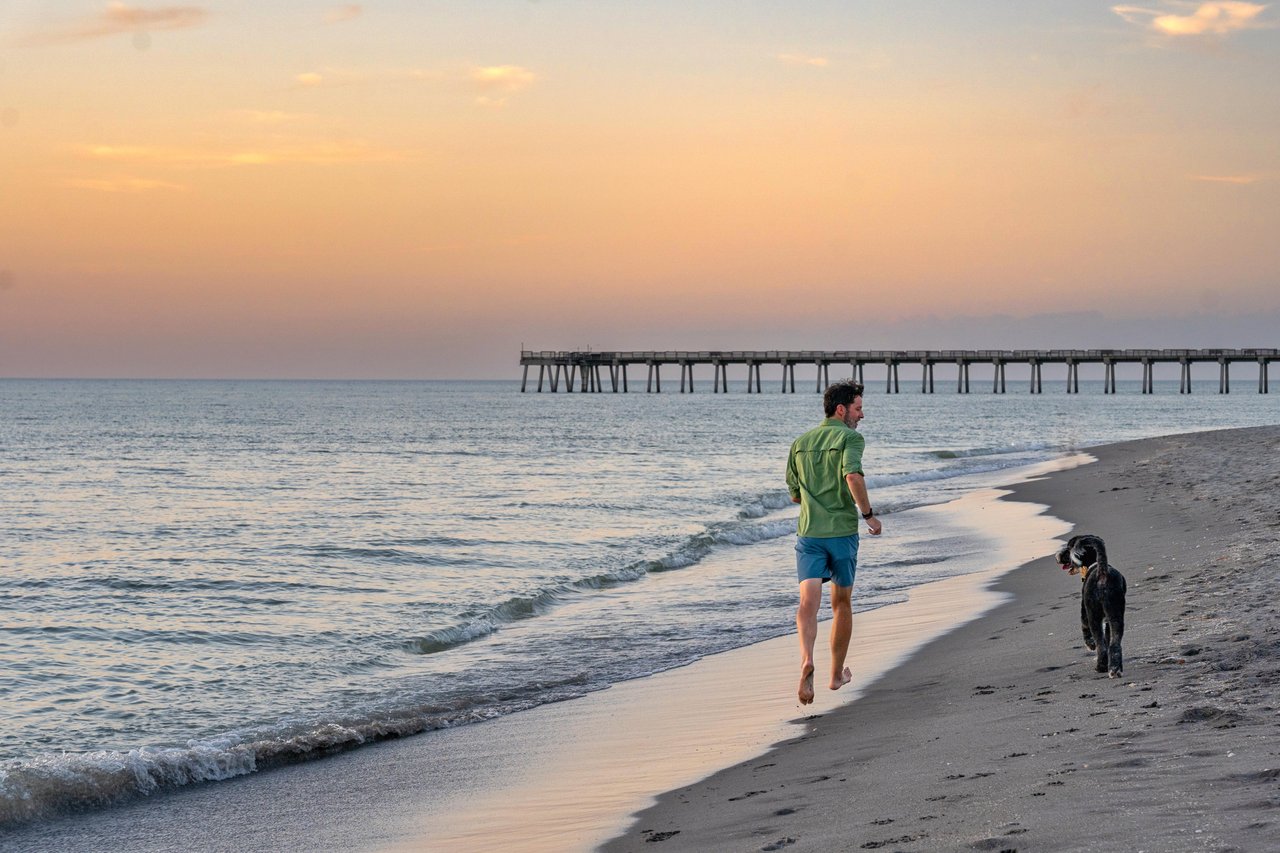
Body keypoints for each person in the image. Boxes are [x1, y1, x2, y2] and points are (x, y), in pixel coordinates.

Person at [786, 380, 882, 705]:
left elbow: (795, 495)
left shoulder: (799, 443)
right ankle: (836, 674)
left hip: (810, 533)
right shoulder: (850, 438)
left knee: (807, 603)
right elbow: (852, 476)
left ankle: (805, 660)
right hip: (841, 533)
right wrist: (868, 515)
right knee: (841, 603)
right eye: (858, 408)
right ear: (841, 409)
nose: (862, 415)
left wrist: (816, 498)